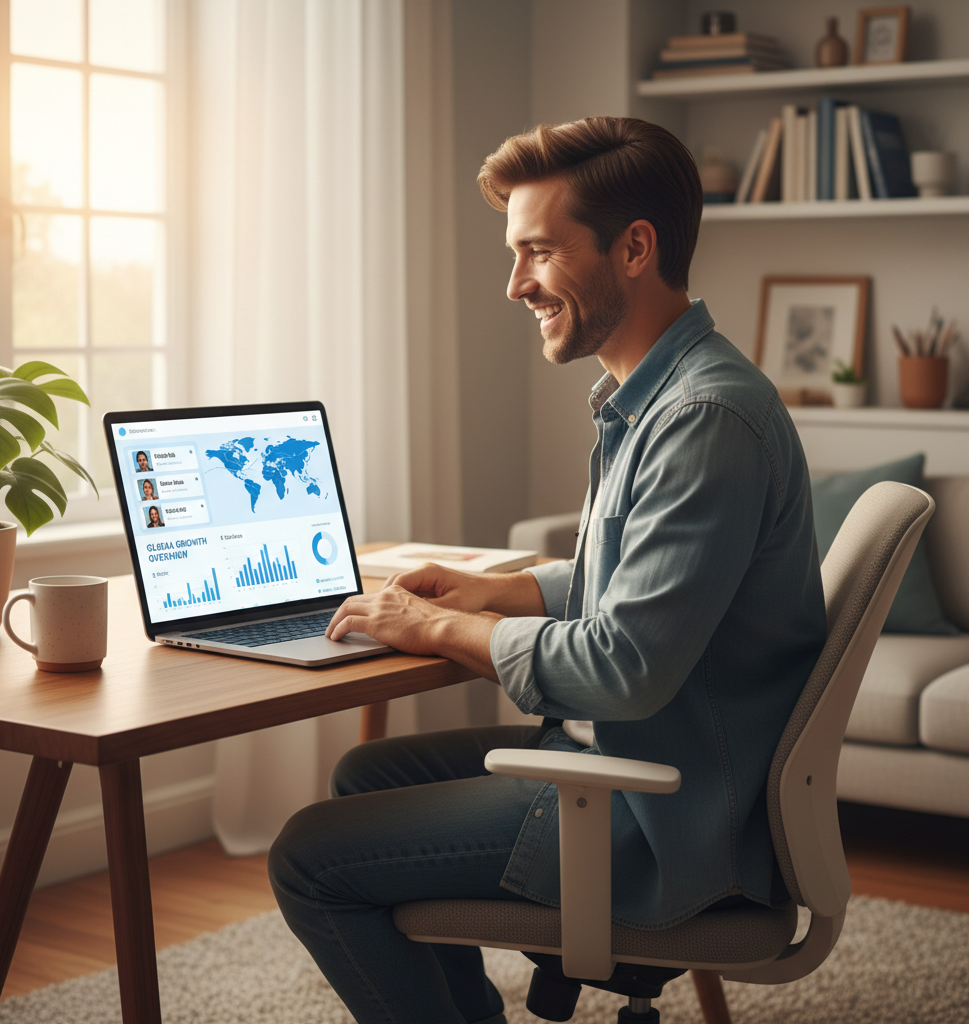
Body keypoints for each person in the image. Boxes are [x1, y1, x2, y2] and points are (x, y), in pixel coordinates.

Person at [268, 117, 826, 1024]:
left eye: (537, 252)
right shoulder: (657, 398)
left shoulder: (702, 420)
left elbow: (624, 664)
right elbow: (642, 586)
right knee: (366, 776)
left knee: (306, 856)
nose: (515, 284)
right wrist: (500, 590)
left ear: (635, 247)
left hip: (663, 818)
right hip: (655, 771)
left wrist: (441, 627)